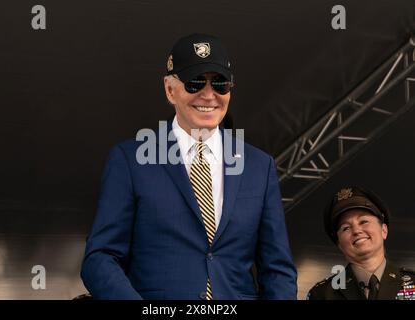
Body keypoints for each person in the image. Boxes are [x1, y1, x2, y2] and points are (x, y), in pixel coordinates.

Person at [81, 33, 297, 300]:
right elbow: (100, 258)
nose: (209, 95)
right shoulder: (130, 160)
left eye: (220, 83)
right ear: (170, 89)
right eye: (195, 83)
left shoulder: (259, 166)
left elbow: (277, 269)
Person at [307, 186, 415, 300]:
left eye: (364, 222)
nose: (357, 231)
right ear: (339, 244)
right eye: (346, 228)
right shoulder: (322, 294)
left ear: (384, 230)